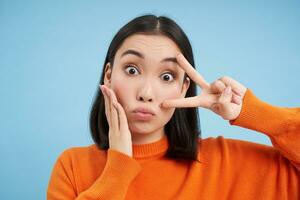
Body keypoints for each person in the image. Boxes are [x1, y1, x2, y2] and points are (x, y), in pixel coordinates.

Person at [47, 14, 300, 200]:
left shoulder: (225, 162)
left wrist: (255, 112)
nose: (146, 93)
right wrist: (119, 167)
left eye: (167, 76)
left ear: (183, 87)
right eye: (132, 70)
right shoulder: (73, 166)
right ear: (109, 75)